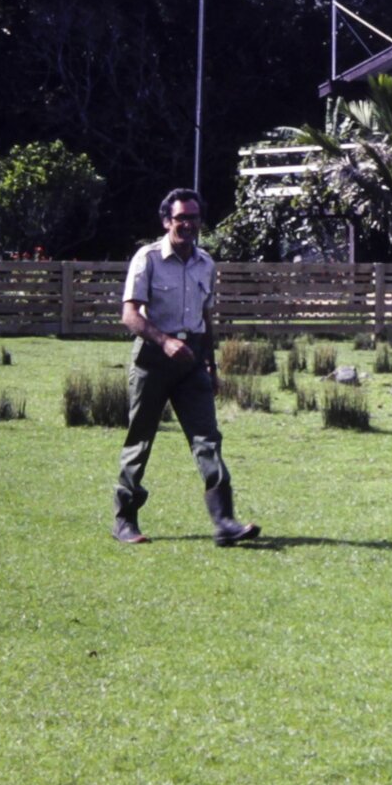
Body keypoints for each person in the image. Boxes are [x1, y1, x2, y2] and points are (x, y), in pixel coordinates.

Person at [112, 188, 260, 547]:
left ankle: (224, 522)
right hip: (152, 359)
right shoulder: (147, 259)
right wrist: (164, 341)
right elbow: (129, 315)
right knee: (141, 440)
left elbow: (207, 318)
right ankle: (124, 519)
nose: (188, 224)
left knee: (208, 439)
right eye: (181, 218)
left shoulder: (206, 264)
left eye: (194, 217)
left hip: (192, 361)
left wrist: (211, 364)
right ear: (167, 221)